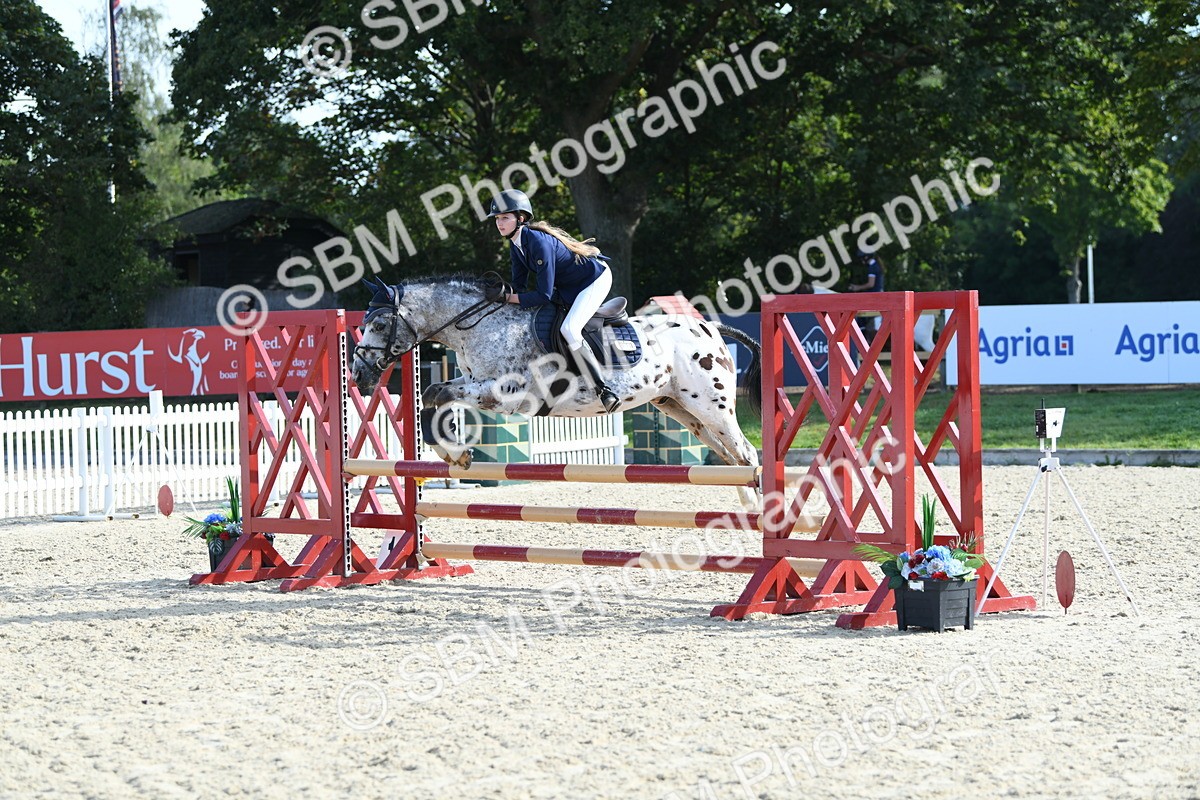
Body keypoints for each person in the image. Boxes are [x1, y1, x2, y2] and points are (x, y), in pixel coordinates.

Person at [485, 189, 621, 412]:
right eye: (497, 218)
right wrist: (496, 293)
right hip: (569, 286)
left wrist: (507, 297)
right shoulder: (516, 244)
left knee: (570, 329)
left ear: (520, 218)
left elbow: (543, 295)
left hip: (593, 279)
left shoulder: (538, 242)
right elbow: (518, 286)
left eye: (505, 218)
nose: (499, 223)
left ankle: (604, 390)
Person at [847, 248, 885, 343]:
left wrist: (857, 287)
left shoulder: (872, 267)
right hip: (878, 295)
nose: (861, 260)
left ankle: (862, 339)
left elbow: (870, 284)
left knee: (861, 317)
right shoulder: (876, 265)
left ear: (866, 257)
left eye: (862, 258)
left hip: (874, 297)